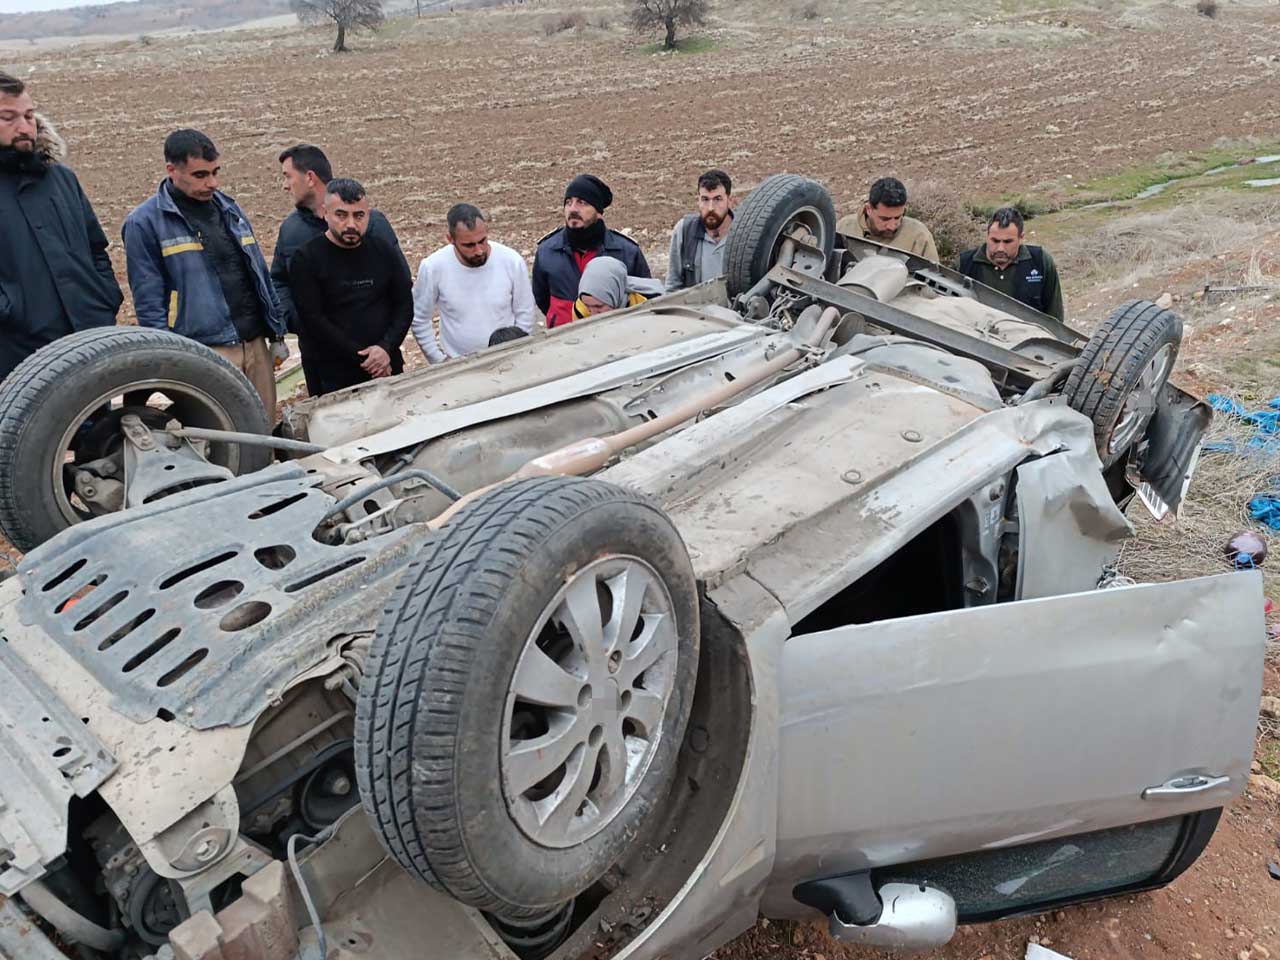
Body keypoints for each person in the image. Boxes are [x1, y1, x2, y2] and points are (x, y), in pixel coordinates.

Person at [122, 128, 284, 413]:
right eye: (201, 175)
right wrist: (169, 358)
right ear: (171, 170)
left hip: (253, 342)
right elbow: (149, 301)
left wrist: (277, 333)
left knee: (263, 431)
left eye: (215, 172)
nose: (212, 183)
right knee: (223, 439)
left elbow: (258, 272)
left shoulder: (230, 210)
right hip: (207, 350)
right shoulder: (144, 223)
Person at [0, 72, 122, 382]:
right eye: (8, 117)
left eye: (29, 115)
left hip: (88, 340)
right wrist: (12, 313)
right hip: (16, 352)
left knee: (97, 428)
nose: (25, 126)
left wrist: (104, 299)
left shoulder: (61, 180)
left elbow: (96, 248)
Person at [271, 143, 408, 394]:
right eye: (341, 215)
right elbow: (280, 283)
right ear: (327, 213)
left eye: (288, 176)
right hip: (324, 363)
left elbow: (401, 292)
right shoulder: (293, 234)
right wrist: (298, 321)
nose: (350, 224)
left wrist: (385, 348)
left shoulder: (377, 229)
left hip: (383, 360)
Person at [411, 203, 535, 363]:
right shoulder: (433, 267)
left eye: (482, 241)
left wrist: (518, 349)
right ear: (450, 239)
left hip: (509, 359)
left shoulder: (511, 261)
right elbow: (420, 318)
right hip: (459, 366)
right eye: (469, 245)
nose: (479, 250)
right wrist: (439, 360)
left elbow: (525, 312)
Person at [532, 174, 650, 328]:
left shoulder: (626, 252)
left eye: (582, 202)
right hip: (562, 340)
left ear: (598, 211)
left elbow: (645, 298)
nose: (573, 209)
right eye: (568, 203)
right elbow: (542, 299)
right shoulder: (547, 251)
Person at [956, 207, 1064, 322]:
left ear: (1021, 238)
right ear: (987, 236)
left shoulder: (1040, 262)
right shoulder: (964, 264)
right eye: (995, 241)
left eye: (1008, 242)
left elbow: (1055, 318)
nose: (1000, 248)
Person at [836, 177, 939, 263]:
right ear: (869, 210)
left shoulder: (919, 236)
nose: (892, 225)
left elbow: (933, 281)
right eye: (885, 219)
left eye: (898, 217)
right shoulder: (844, 228)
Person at [665, 169, 734, 292]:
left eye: (718, 199)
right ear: (698, 200)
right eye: (705, 199)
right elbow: (673, 287)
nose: (711, 208)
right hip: (697, 310)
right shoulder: (684, 231)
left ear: (729, 200)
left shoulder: (743, 233)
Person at [573, 257, 665, 319]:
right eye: (588, 307)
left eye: (599, 306)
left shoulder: (648, 303)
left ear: (615, 294)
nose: (593, 315)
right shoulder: (580, 309)